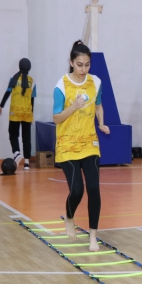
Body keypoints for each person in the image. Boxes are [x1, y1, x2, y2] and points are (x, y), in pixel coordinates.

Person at [53, 40, 110, 252]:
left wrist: (101, 123)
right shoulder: (61, 85)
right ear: (71, 62)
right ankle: (69, 216)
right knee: (77, 190)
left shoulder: (96, 82)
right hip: (67, 144)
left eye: (87, 65)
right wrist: (74, 106)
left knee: (94, 188)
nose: (83, 69)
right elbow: (56, 118)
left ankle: (93, 235)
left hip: (89, 142)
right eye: (79, 65)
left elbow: (98, 105)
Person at [0, 58, 36, 169]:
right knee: (26, 137)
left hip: (15, 112)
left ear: (19, 66)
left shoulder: (13, 78)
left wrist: (1, 106)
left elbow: (7, 92)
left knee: (13, 134)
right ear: (29, 68)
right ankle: (27, 163)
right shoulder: (32, 81)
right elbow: (32, 100)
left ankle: (17, 153)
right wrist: (31, 115)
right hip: (27, 113)